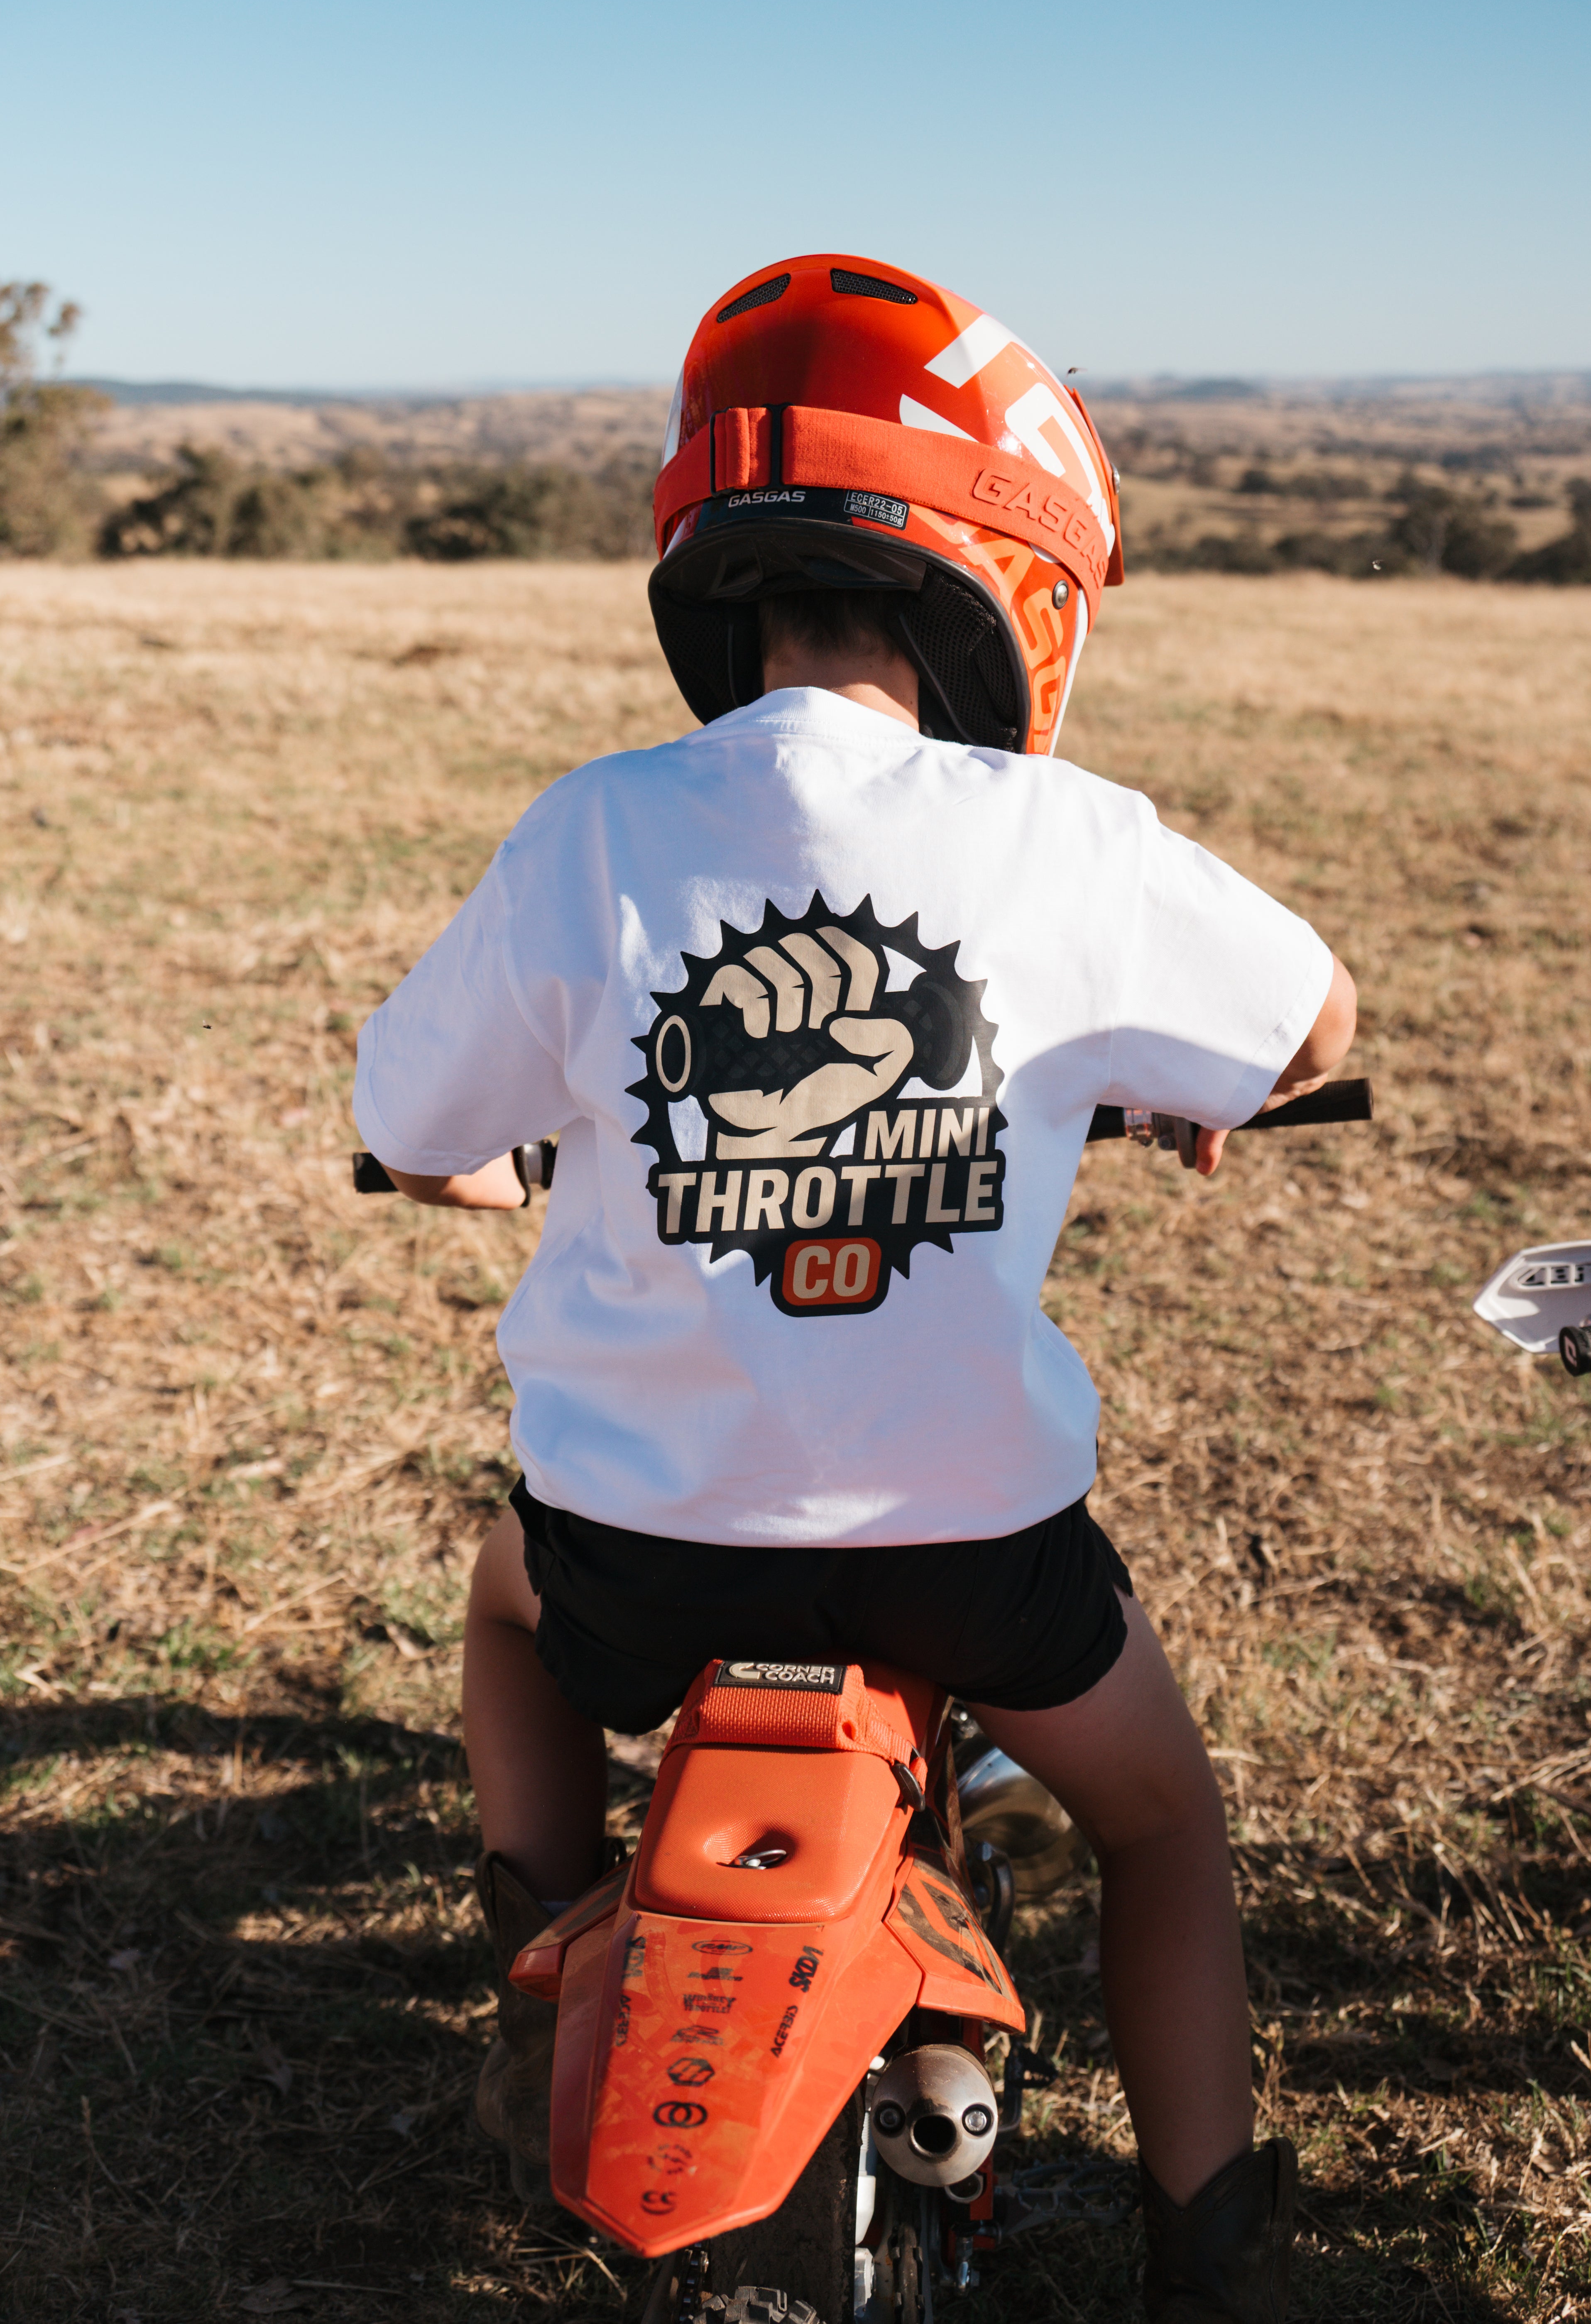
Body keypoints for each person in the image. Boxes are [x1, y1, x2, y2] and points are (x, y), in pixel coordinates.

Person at [353, 253, 1355, 2322]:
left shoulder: (596, 830)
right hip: (971, 1552)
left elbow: (410, 1112)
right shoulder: (1069, 839)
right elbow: (1313, 1027)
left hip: (641, 1547)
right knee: (1165, 1831)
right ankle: (1217, 2252)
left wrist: (474, 1158)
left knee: (503, 1604)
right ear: (1006, 568)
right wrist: (1140, 1082)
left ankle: (543, 1956)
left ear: (718, 572)